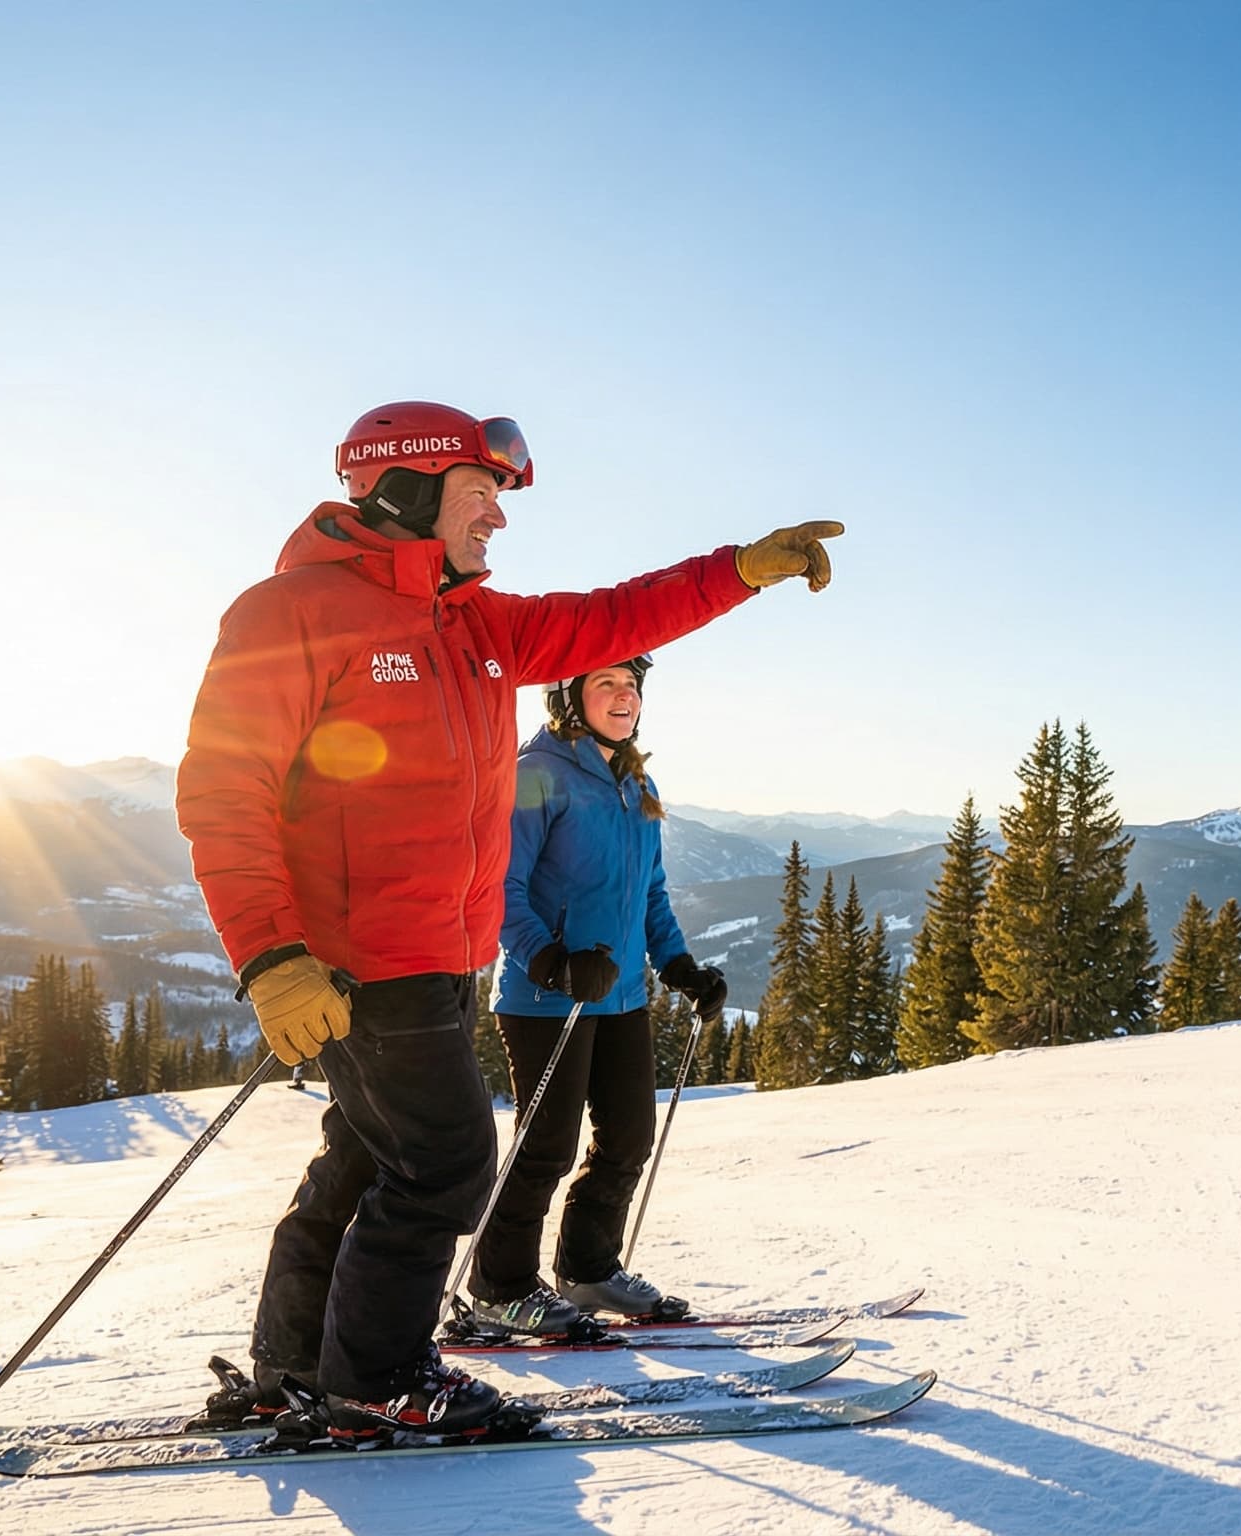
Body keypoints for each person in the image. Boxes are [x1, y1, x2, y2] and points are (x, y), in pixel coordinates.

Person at [175, 401, 837, 1444]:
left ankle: (295, 1363)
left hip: (445, 959)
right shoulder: (290, 610)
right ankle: (377, 1378)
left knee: (362, 1159)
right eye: (481, 493)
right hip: (355, 962)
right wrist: (268, 955)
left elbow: (613, 616)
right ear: (407, 484)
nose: (498, 518)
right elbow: (224, 789)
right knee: (443, 1164)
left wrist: (737, 570)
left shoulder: (477, 623)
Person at [457, 655, 730, 1338]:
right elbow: (500, 887)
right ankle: (500, 1286)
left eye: (631, 685)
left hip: (620, 996)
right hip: (544, 996)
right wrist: (550, 960)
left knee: (628, 1138)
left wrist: (680, 966)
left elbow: (651, 894)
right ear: (570, 698)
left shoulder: (636, 783)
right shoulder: (536, 773)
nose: (623, 695)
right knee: (546, 1144)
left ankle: (586, 1271)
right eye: (605, 682)